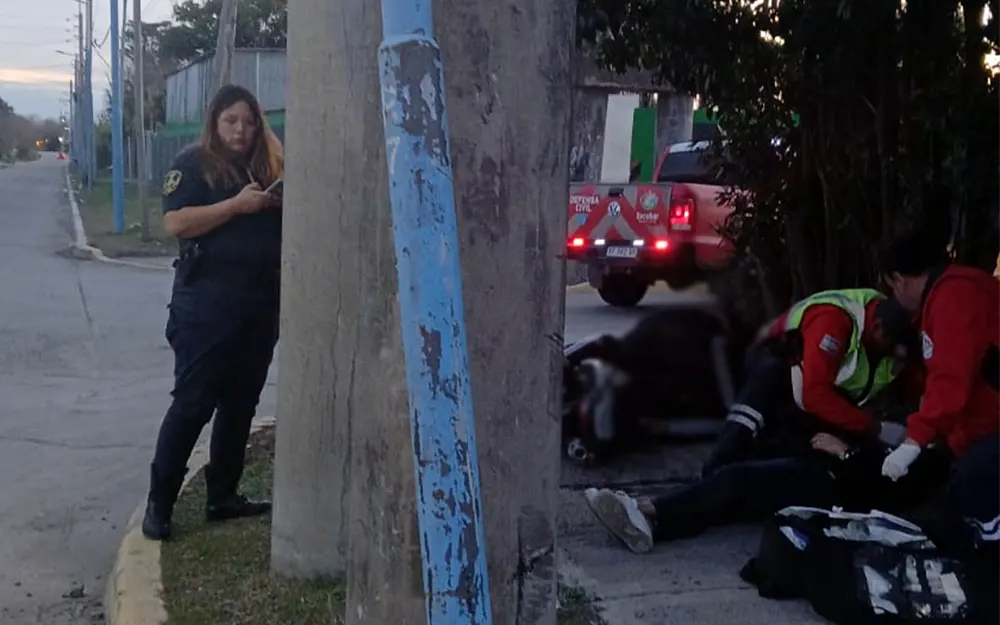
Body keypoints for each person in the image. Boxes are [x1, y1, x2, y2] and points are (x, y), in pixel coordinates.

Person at [141, 84, 284, 541]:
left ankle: (223, 496)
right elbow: (175, 223)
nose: (241, 130)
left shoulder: (266, 166)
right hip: (206, 307)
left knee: (240, 406)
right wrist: (236, 206)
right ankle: (159, 505)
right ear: (215, 123)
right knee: (193, 404)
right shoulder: (194, 164)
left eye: (248, 121)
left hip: (259, 307)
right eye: (231, 121)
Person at [583, 430, 948, 554]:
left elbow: (879, 493)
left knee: (736, 481)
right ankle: (653, 527)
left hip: (831, 488)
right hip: (825, 472)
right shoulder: (918, 443)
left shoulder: (928, 464)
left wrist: (846, 453)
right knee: (729, 498)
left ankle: (647, 510)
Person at [702, 288, 919, 476]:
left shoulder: (889, 332)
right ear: (877, 328)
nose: (895, 353)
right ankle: (717, 468)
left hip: (808, 382)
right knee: (754, 409)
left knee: (809, 442)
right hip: (776, 356)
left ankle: (753, 470)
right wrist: (875, 428)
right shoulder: (833, 321)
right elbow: (814, 394)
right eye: (892, 344)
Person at [878, 232, 1000, 562]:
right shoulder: (954, 294)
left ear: (900, 280)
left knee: (975, 505)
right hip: (981, 433)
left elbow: (950, 380)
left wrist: (912, 442)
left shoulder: (954, 298)